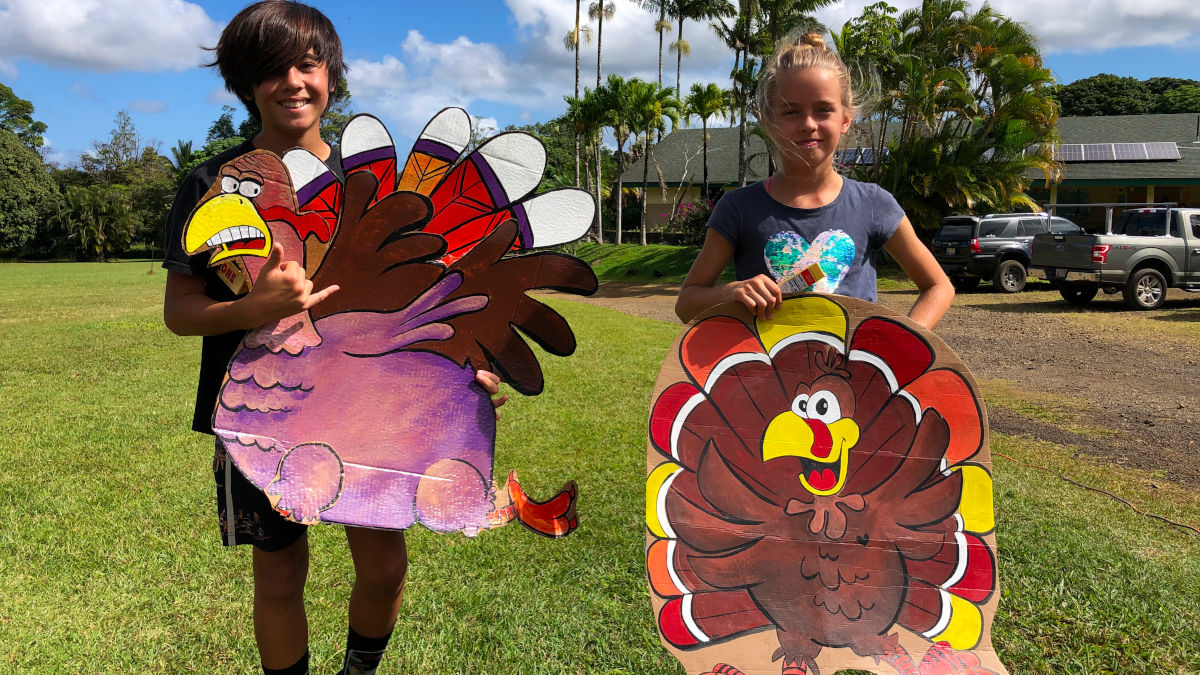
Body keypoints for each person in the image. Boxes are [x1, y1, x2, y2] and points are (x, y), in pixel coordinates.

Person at [161, 3, 506, 674]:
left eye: (307, 64)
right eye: (270, 69)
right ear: (243, 82)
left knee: (383, 566)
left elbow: (431, 295)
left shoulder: (371, 179)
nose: (291, 81)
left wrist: (467, 376)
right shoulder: (210, 186)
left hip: (372, 412)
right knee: (281, 576)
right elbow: (180, 311)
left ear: (331, 75)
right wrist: (255, 306)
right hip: (257, 417)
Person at [675, 32, 953, 330]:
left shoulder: (873, 204)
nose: (808, 124)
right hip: (764, 376)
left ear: (846, 118)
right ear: (769, 122)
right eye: (791, 111)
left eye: (823, 109)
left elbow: (938, 287)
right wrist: (731, 291)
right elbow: (686, 304)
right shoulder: (738, 208)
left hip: (853, 376)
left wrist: (901, 343)